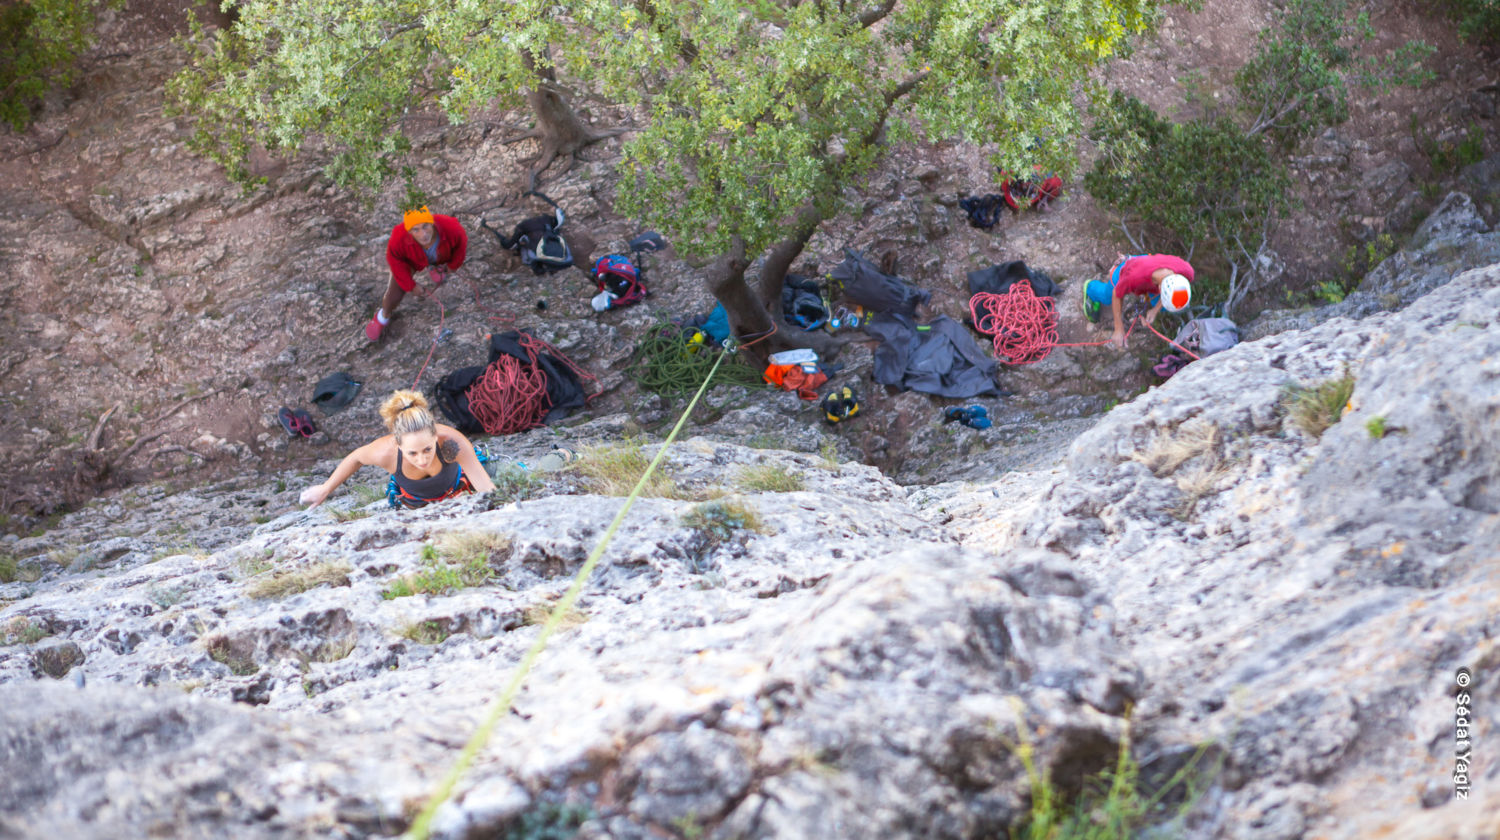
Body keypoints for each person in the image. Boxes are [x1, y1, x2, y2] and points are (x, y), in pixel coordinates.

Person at [299, 390, 496, 509]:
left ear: (436, 436)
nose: (422, 459)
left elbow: (485, 485)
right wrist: (325, 489)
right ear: (399, 445)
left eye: (427, 449)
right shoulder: (386, 452)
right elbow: (356, 458)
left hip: (459, 488)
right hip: (416, 503)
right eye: (412, 453)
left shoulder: (452, 443)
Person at [366, 206, 468, 341]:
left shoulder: (451, 227)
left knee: (440, 263)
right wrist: (411, 286)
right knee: (394, 292)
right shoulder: (398, 236)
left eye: (426, 226)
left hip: (441, 254)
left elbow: (461, 244)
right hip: (411, 260)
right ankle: (383, 316)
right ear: (409, 231)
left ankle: (434, 267)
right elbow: (395, 262)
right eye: (416, 229)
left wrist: (452, 266)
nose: (423, 234)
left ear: (432, 223)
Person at [1082, 253, 1194, 350]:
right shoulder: (1135, 277)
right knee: (1107, 297)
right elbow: (1117, 294)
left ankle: (1154, 304)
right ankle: (1090, 288)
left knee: (1162, 307)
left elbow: (1171, 291)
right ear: (1160, 288)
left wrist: (1155, 310)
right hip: (1127, 268)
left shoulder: (1187, 271)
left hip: (1147, 262)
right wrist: (1118, 328)